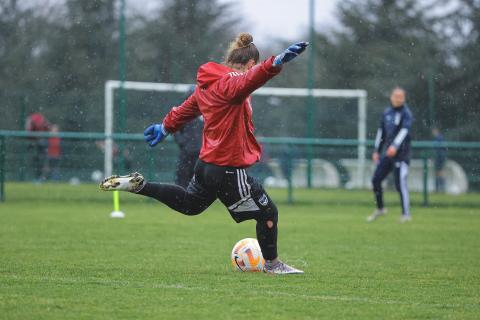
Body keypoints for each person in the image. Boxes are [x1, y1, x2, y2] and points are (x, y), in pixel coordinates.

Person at [100, 33, 308, 274]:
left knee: (191, 205)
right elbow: (250, 80)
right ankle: (272, 265)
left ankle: (140, 186)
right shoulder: (232, 83)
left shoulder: (208, 85)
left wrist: (165, 126)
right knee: (268, 211)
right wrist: (276, 62)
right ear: (250, 64)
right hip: (228, 168)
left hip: (207, 163)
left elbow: (187, 108)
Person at [368, 87, 413, 223]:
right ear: (391, 97)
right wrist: (376, 150)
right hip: (388, 154)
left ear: (404, 98)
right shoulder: (387, 112)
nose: (398, 98)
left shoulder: (406, 113)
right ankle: (380, 208)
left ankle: (406, 214)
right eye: (396, 96)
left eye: (401, 96)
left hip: (401, 155)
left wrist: (395, 146)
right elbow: (381, 132)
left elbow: (405, 131)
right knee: (376, 180)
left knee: (400, 184)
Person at [173, 86, 203, 188]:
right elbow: (175, 129)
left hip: (202, 155)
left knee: (199, 183)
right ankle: (181, 200)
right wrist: (183, 142)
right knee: (182, 181)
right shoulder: (184, 113)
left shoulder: (207, 112)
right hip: (187, 153)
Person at [25, 112, 50, 181]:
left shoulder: (32, 119)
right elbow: (47, 127)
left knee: (40, 161)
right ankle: (38, 177)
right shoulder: (38, 119)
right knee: (40, 161)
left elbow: (28, 130)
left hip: (37, 144)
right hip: (37, 143)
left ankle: (39, 177)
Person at [432, 127, 446, 192]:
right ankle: (438, 188)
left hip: (440, 158)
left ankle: (441, 188)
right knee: (438, 173)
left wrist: (436, 157)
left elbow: (440, 150)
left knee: (440, 172)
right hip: (438, 158)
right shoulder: (437, 138)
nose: (433, 133)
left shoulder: (440, 138)